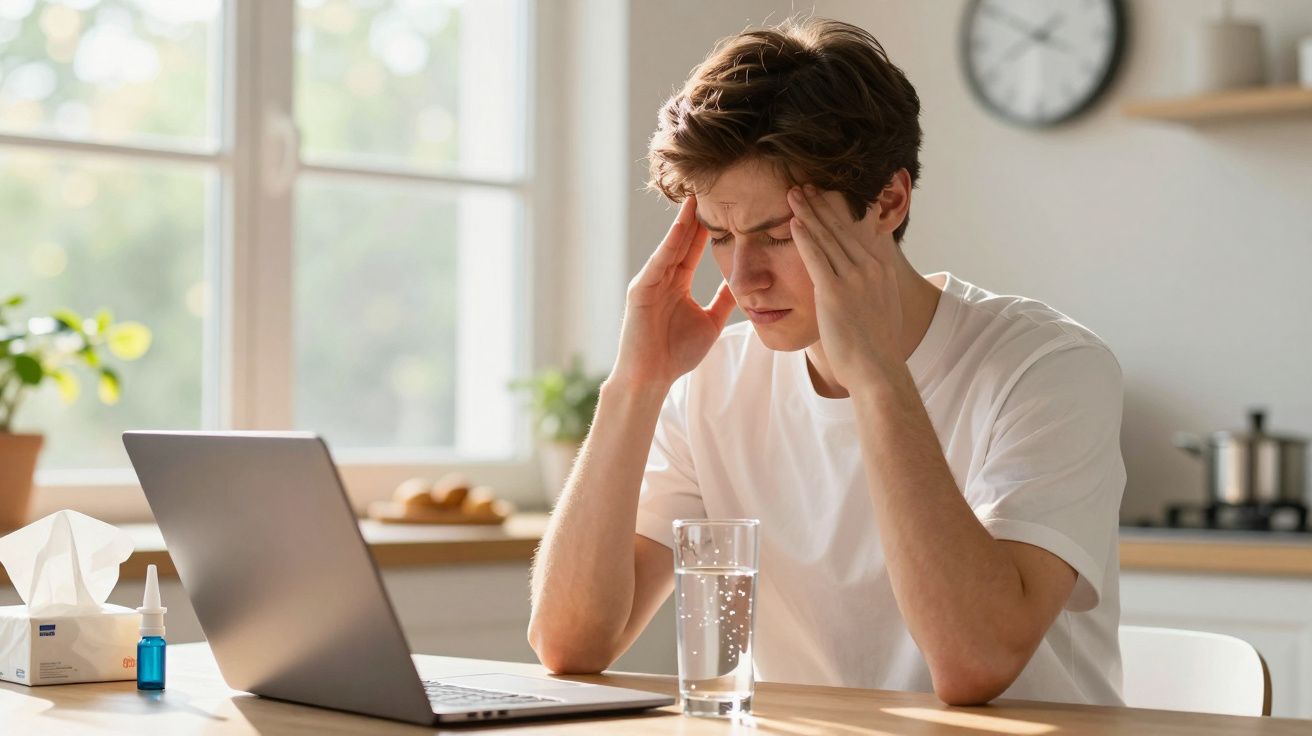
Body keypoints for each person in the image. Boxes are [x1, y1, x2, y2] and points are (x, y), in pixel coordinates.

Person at [527, 17, 1125, 706]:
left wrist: (875, 374)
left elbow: (975, 663)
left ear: (888, 202)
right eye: (719, 236)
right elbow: (570, 642)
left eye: (779, 235)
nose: (743, 279)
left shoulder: (1048, 368)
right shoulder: (714, 384)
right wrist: (635, 383)